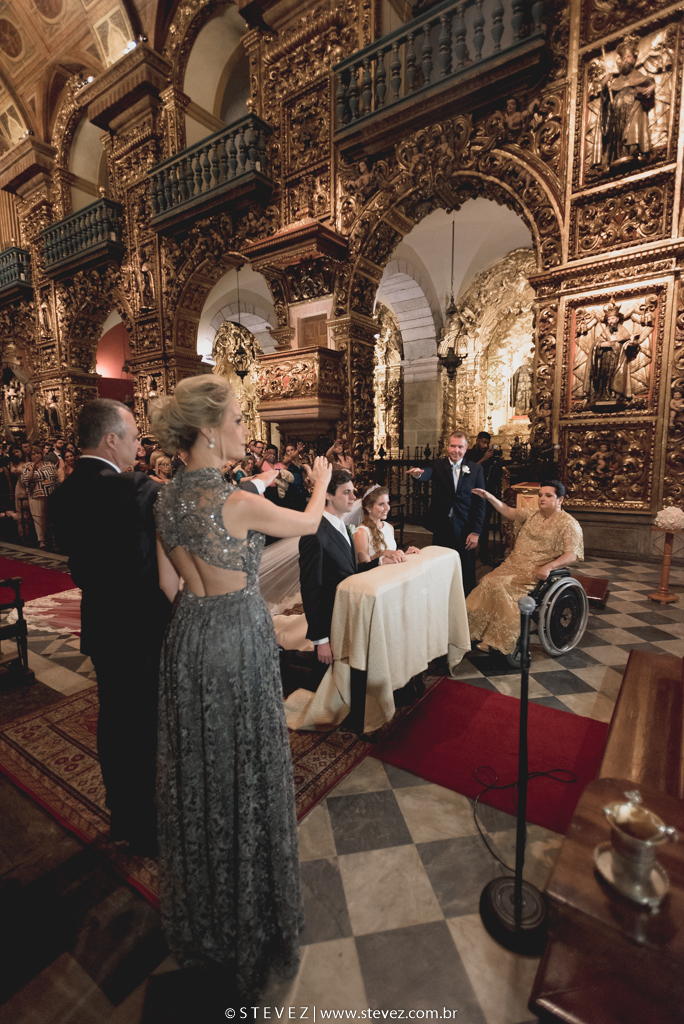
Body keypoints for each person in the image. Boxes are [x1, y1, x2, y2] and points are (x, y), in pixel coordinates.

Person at [150, 375, 333, 1002]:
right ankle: (252, 925)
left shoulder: (165, 499)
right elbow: (311, 524)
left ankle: (205, 920)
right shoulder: (234, 503)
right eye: (236, 420)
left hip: (188, 640)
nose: (245, 431)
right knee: (246, 771)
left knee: (200, 774)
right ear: (207, 430)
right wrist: (323, 483)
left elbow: (168, 587)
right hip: (236, 640)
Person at [49, 400, 171, 854]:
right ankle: (147, 826)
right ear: (111, 439)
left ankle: (123, 813)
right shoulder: (134, 488)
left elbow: (80, 566)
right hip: (141, 625)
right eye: (136, 436)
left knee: (115, 720)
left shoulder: (63, 493)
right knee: (143, 726)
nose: (139, 446)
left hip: (101, 621)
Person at [300, 469, 405, 668]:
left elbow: (351, 570)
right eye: (346, 492)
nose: (353, 497)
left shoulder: (342, 526)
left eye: (353, 491)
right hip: (330, 618)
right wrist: (321, 640)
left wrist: (381, 562)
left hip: (348, 612)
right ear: (328, 495)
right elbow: (310, 588)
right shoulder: (314, 533)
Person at [466, 480, 584, 655]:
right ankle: (471, 631)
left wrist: (549, 566)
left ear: (560, 500)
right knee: (487, 581)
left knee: (501, 586)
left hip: (536, 569)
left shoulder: (568, 523)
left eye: (548, 495)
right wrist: (489, 496)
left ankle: (498, 639)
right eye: (540, 495)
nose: (542, 498)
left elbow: (572, 554)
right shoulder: (533, 514)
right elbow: (508, 511)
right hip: (514, 564)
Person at [408, 431, 485, 595]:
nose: (456, 450)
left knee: (467, 568)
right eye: (452, 446)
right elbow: (426, 472)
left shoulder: (475, 469)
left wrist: (476, 532)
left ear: (465, 448)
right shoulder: (438, 465)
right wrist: (418, 474)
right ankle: (440, 597)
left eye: (460, 447)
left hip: (465, 526)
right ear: (447, 446)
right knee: (439, 564)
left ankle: (466, 603)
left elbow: (480, 503)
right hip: (442, 525)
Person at [354, 485, 420, 562]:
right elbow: (364, 565)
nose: (387, 508)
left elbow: (390, 557)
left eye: (388, 503)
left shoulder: (389, 527)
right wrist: (382, 553)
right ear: (368, 507)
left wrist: (405, 555)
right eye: (381, 504)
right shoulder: (361, 532)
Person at [465, 431, 496, 565]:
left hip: (487, 492)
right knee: (472, 523)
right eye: (483, 442)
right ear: (477, 440)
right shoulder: (469, 454)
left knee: (484, 524)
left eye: (487, 443)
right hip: (472, 494)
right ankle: (468, 550)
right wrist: (483, 459)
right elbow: (468, 471)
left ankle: (483, 552)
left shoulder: (489, 455)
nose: (485, 445)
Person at [22, 446, 59, 548]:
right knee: (39, 518)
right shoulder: (27, 466)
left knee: (52, 517)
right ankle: (42, 540)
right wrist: (33, 469)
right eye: (33, 454)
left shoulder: (50, 464)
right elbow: (26, 481)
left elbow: (56, 480)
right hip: (37, 495)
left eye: (38, 453)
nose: (36, 455)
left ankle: (54, 538)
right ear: (30, 456)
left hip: (51, 494)